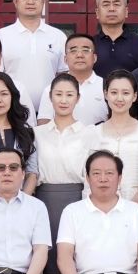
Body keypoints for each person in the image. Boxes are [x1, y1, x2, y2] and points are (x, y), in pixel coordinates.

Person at [34, 73, 98, 240]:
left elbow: (92, 175)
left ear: (78, 98)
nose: (63, 100)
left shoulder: (89, 133)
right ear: (50, 97)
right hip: (42, 201)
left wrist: (87, 208)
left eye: (69, 95)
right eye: (58, 94)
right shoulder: (36, 134)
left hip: (78, 199)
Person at [91, 71, 138, 227]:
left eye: (126, 93)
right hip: (101, 212)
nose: (119, 98)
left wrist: (129, 208)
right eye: (114, 92)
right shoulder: (93, 132)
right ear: (105, 94)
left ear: (134, 96)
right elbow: (89, 178)